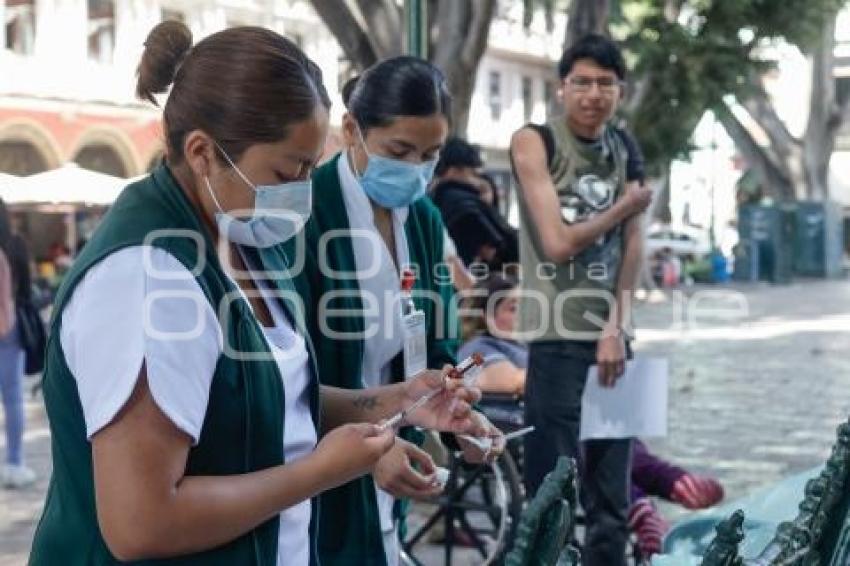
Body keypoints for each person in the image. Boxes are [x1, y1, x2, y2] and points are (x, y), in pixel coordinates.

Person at [29, 23, 485, 565]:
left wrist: (395, 401)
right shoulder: (147, 276)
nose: (301, 191)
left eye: (309, 169)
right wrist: (318, 473)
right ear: (203, 153)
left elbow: (270, 401)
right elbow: (142, 522)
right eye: (287, 171)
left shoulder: (240, 237)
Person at [287, 56, 504, 566]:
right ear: (351, 131)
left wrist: (456, 405)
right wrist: (369, 446)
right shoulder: (308, 214)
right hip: (316, 462)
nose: (413, 170)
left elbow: (437, 335)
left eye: (429, 155)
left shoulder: (423, 218)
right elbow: (288, 375)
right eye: (399, 151)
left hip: (396, 449)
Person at [510, 33, 654, 565]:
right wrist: (625, 206)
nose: (594, 94)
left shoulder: (624, 147)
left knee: (611, 497)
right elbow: (558, 241)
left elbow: (634, 246)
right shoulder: (534, 142)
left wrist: (617, 325)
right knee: (551, 493)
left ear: (620, 90)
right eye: (583, 82)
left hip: (614, 344)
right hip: (555, 337)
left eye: (606, 83)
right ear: (561, 89)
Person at [459, 275, 724, 558]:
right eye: (513, 308)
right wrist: (573, 375)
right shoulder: (481, 348)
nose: (524, 314)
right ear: (489, 316)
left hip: (569, 414)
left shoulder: (528, 345)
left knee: (613, 428)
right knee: (587, 435)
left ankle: (655, 498)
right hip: (528, 424)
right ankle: (662, 491)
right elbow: (512, 381)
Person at [431, 137, 518, 269]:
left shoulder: (435, 197)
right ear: (455, 170)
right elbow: (495, 250)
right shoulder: (463, 203)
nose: (477, 178)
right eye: (472, 172)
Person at [0, 198, 36, 488]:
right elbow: (26, 287)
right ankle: (14, 461)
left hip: (7, 323)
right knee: (13, 399)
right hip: (10, 328)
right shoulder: (16, 245)